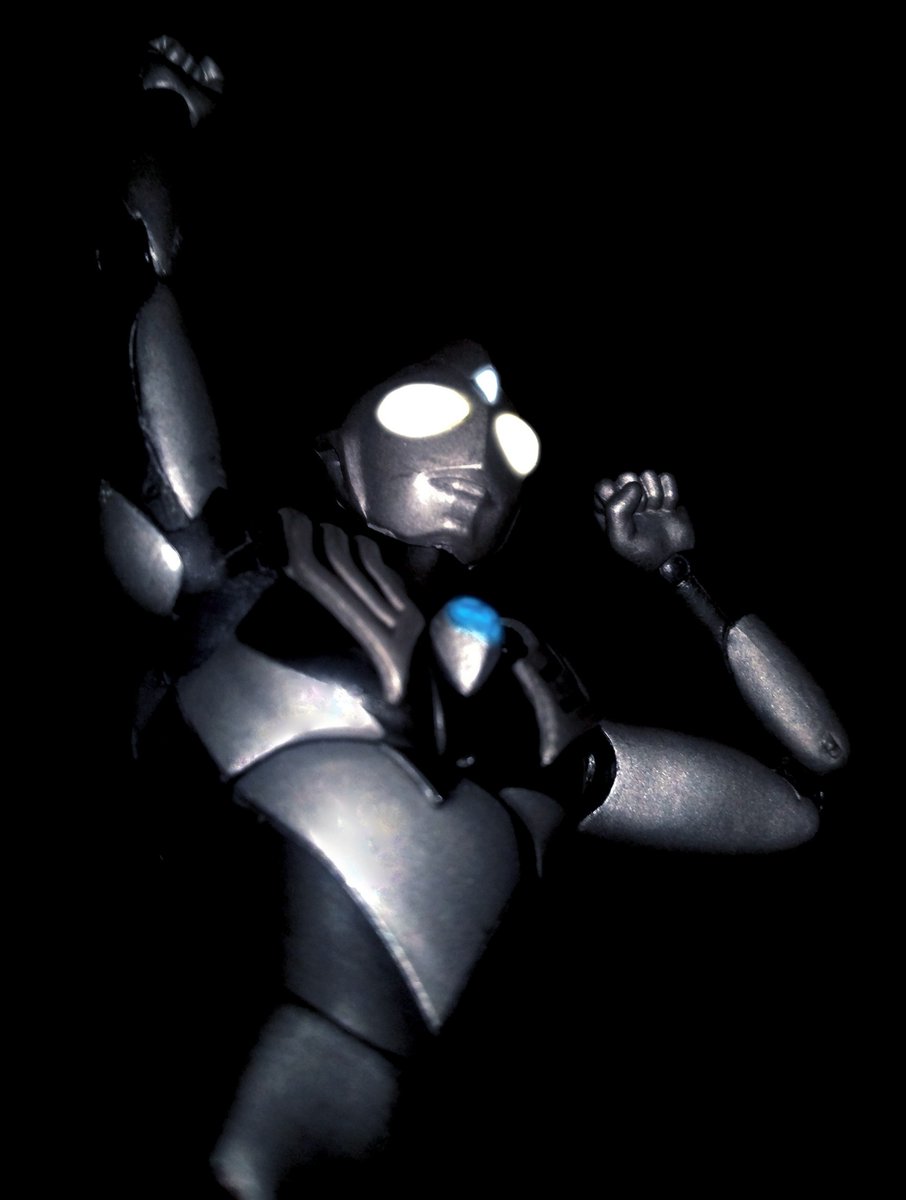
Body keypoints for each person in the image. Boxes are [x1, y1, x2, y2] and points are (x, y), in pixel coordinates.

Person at [97, 36, 849, 1196]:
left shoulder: (549, 703)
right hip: (208, 1022)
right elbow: (134, 283)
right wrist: (162, 119)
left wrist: (687, 577)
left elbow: (809, 784)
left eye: (511, 442)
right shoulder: (248, 550)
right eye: (429, 409)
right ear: (339, 442)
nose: (475, 453)